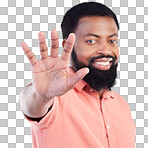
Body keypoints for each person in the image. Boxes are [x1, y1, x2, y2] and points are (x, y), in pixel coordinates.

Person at [19, 2, 136, 148]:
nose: (106, 50)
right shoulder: (56, 95)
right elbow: (32, 105)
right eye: (91, 41)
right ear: (67, 44)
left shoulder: (122, 105)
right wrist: (41, 96)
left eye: (112, 41)